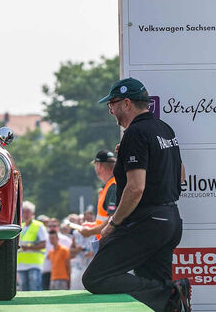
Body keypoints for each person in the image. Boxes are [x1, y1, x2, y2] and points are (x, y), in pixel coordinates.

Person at [82, 78, 191, 312]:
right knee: (158, 300)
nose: (110, 109)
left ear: (127, 103)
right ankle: (169, 293)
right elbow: (180, 175)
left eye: (112, 103)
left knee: (95, 277)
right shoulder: (164, 128)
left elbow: (135, 188)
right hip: (170, 220)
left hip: (147, 222)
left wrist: (114, 223)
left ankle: (170, 291)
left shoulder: (135, 134)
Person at [80, 150, 119, 240]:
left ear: (99, 166)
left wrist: (90, 231)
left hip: (108, 242)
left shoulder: (112, 187)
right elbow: (106, 219)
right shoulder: (111, 185)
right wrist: (93, 225)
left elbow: (112, 221)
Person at [16, 201, 47, 291]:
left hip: (34, 263)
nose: (25, 214)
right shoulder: (20, 226)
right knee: (24, 288)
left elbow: (44, 244)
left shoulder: (39, 226)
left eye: (28, 212)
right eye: (24, 212)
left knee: (34, 287)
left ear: (33, 213)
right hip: (21, 264)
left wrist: (29, 247)